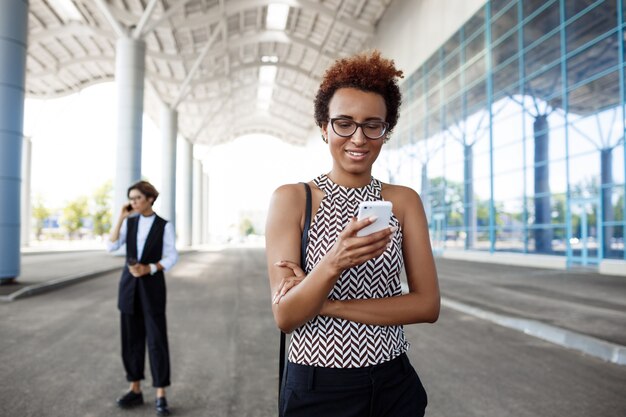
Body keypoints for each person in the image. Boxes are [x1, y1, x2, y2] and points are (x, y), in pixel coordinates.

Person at [265, 50, 440, 416]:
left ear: (385, 131)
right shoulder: (293, 199)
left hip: (394, 382)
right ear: (324, 127)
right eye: (344, 123)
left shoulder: (403, 201)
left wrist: (327, 305)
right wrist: (334, 262)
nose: (358, 138)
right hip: (319, 387)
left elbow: (427, 305)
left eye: (372, 125)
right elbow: (287, 316)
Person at [107, 180, 178, 416]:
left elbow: (171, 256)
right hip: (128, 288)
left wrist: (151, 268)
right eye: (131, 198)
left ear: (149, 198)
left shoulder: (163, 225)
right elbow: (111, 246)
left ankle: (160, 394)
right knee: (131, 340)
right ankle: (135, 389)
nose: (133, 202)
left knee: (156, 340)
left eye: (137, 198)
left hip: (152, 288)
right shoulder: (130, 222)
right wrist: (120, 217)